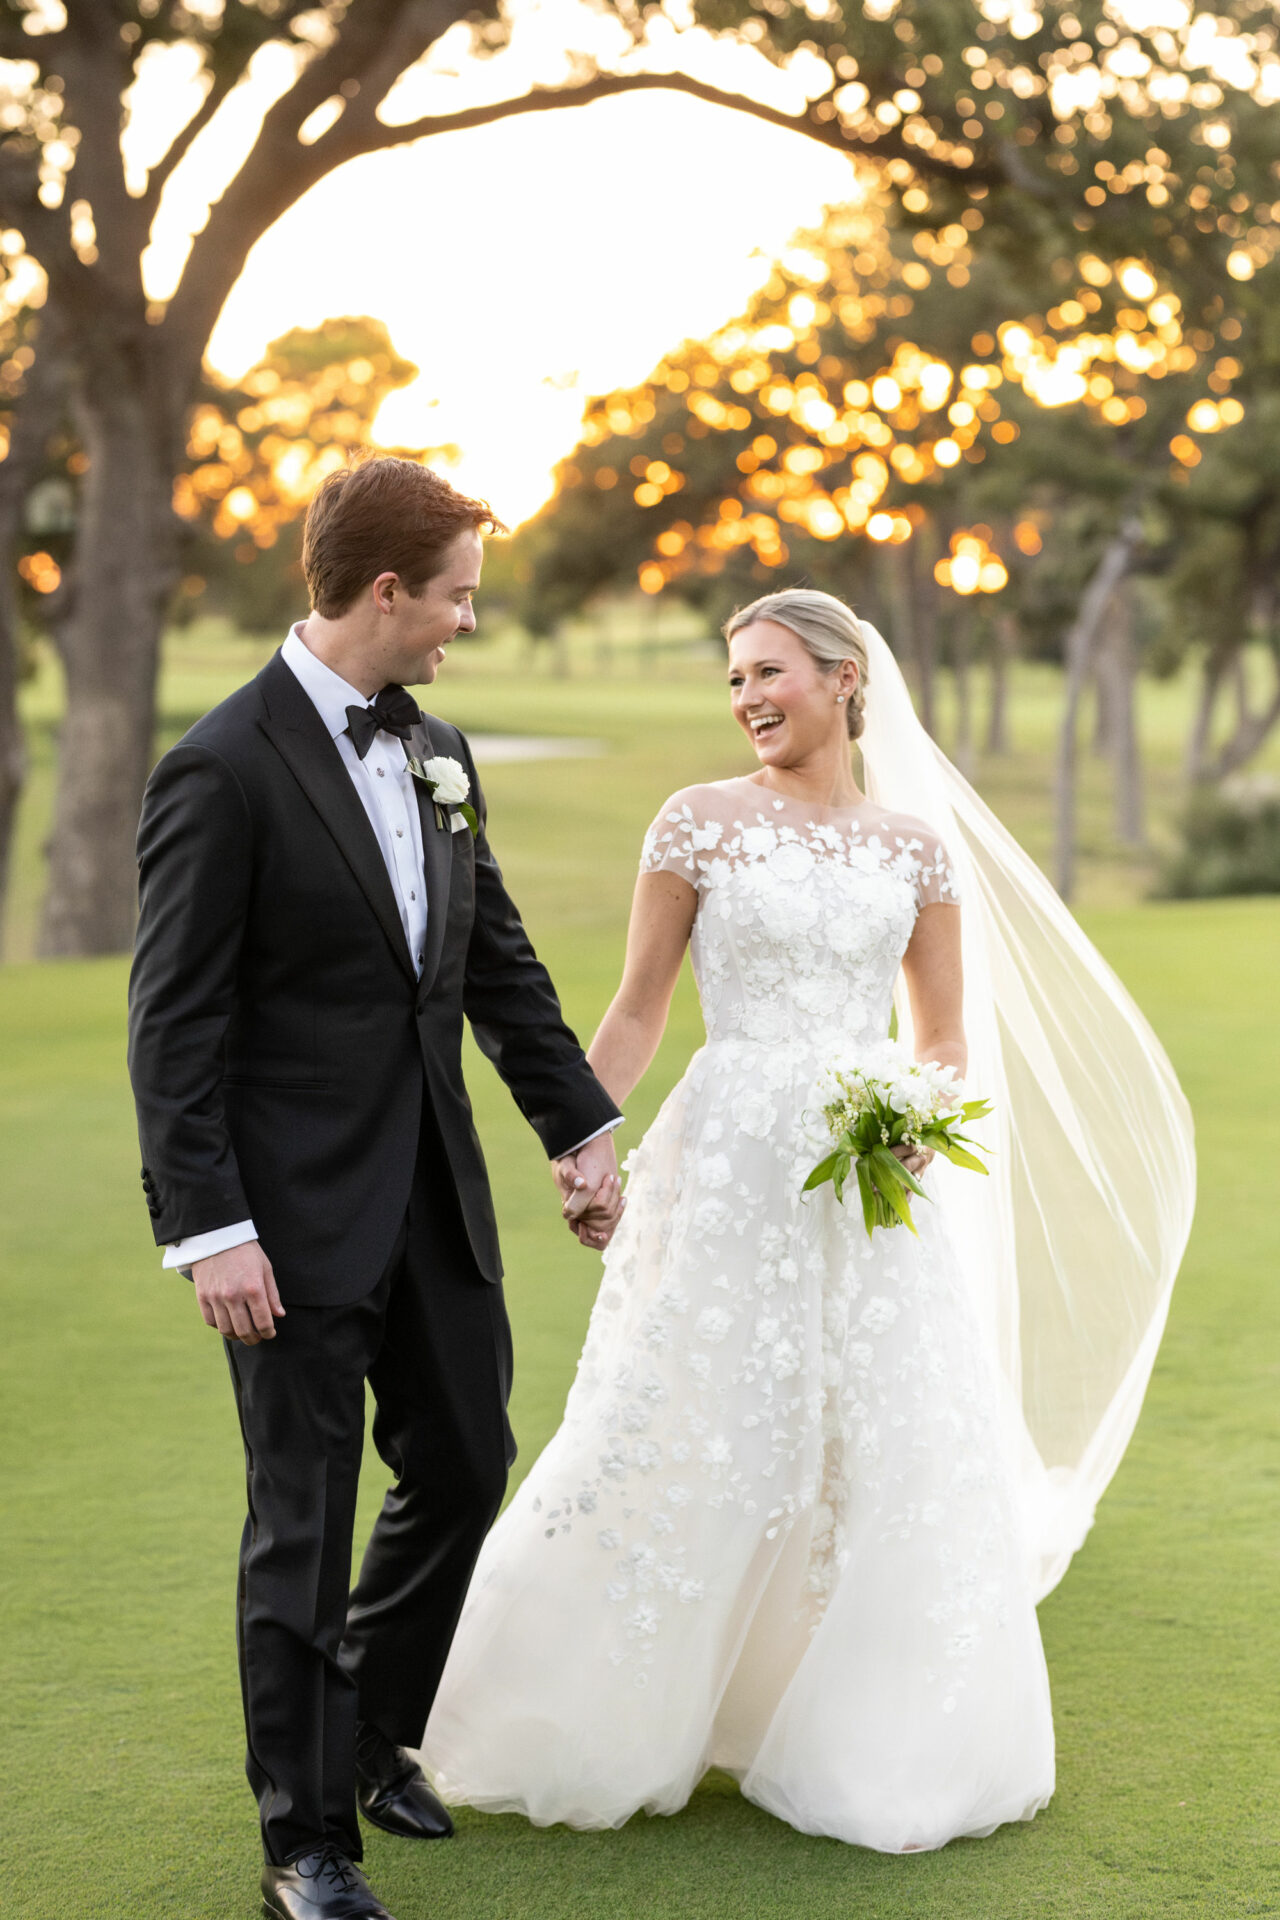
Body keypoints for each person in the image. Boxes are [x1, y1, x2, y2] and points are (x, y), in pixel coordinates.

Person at [420, 587, 1195, 1850]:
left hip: (864, 1181)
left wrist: (904, 1115)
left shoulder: (912, 849)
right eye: (731, 681)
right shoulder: (696, 826)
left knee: (865, 1438)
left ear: (842, 679)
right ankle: (613, 1710)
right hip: (724, 1162)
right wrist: (585, 1135)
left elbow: (941, 1040)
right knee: (690, 1418)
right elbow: (634, 1011)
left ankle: (847, 1726)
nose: (745, 700)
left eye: (767, 672)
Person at [127, 457, 625, 1920]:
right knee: (305, 1511)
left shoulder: (438, 749)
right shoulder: (220, 769)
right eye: (459, 595)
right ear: (388, 590)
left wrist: (576, 1125)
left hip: (431, 1196)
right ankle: (305, 1840)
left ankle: (367, 1732)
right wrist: (209, 1228)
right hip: (279, 1225)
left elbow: (494, 964)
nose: (470, 623)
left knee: (468, 1461)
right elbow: (173, 1027)